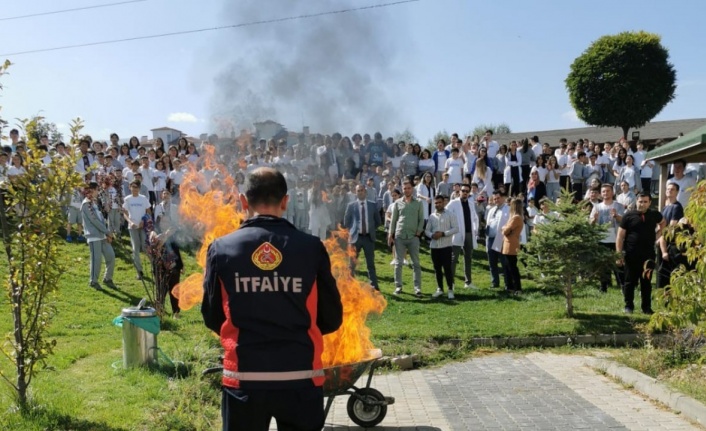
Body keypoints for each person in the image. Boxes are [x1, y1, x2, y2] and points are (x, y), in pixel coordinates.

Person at [201, 168, 342, 431]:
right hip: (301, 377)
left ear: (243, 201)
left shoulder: (221, 249)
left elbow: (212, 316)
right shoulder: (311, 248)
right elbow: (332, 317)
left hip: (244, 379)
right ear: (286, 202)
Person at [616, 192, 665, 314]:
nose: (642, 204)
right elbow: (620, 236)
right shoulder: (628, 216)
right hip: (631, 255)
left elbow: (664, 222)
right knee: (629, 282)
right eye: (640, 201)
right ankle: (629, 306)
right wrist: (619, 255)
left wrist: (657, 234)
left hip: (648, 255)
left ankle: (646, 308)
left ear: (649, 203)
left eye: (645, 202)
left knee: (646, 282)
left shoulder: (654, 215)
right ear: (636, 201)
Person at [389, 179, 425, 297]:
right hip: (400, 236)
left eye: (409, 188)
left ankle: (417, 288)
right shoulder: (397, 203)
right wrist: (391, 234)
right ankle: (398, 287)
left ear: (412, 189)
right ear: (402, 190)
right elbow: (393, 220)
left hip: (413, 237)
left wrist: (419, 233)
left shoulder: (418, 202)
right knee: (398, 263)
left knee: (416, 263)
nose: (407, 190)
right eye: (404, 188)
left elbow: (421, 219)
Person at [343, 184, 382, 290]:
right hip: (356, 238)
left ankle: (374, 285)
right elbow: (346, 221)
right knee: (352, 263)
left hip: (369, 238)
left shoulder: (372, 205)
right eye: (358, 191)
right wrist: (353, 230)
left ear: (366, 192)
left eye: (362, 190)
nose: (360, 192)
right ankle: (349, 285)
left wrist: (371, 229)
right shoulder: (351, 205)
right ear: (356, 192)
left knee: (370, 263)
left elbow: (378, 221)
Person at [80, 182, 116, 290]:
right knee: (96, 260)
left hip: (103, 235)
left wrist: (107, 232)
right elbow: (94, 220)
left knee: (111, 256)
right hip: (94, 236)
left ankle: (107, 278)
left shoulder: (94, 203)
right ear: (91, 190)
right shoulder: (86, 204)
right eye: (96, 190)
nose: (98, 192)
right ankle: (93, 281)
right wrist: (107, 232)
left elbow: (101, 219)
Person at [590, 184, 625, 292]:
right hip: (602, 239)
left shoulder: (618, 206)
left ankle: (623, 285)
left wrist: (616, 216)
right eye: (604, 191)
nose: (606, 193)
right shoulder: (597, 207)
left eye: (608, 191)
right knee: (603, 264)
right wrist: (594, 220)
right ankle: (603, 286)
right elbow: (590, 223)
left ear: (612, 192)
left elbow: (623, 221)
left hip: (616, 239)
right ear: (601, 194)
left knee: (619, 263)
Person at [446, 183, 479, 289]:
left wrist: (475, 229)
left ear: (469, 193)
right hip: (457, 233)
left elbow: (474, 217)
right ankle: (451, 283)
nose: (465, 193)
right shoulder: (453, 203)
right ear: (459, 191)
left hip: (469, 233)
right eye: (463, 191)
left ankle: (468, 282)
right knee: (453, 258)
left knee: (468, 257)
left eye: (467, 191)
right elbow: (446, 215)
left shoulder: (470, 203)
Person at [426, 195, 459, 299]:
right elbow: (427, 230)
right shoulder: (432, 216)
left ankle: (450, 289)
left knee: (447, 268)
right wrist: (432, 235)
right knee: (437, 269)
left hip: (446, 246)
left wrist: (443, 234)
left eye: (439, 202)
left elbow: (456, 228)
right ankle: (440, 289)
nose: (437, 204)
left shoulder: (450, 214)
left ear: (444, 203)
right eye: (436, 203)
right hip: (434, 247)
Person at [123, 180, 151, 280]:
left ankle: (154, 266)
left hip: (143, 226)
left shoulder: (143, 198)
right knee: (135, 249)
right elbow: (125, 213)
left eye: (136, 187)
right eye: (133, 187)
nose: (134, 189)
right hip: (133, 227)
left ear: (139, 188)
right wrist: (130, 222)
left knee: (145, 247)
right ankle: (139, 271)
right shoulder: (127, 199)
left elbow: (148, 211)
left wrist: (144, 221)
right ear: (130, 188)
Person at [486, 190, 510, 289]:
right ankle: (494, 282)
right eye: (494, 199)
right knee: (492, 262)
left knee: (504, 263)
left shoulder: (508, 209)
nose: (496, 200)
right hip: (491, 239)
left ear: (503, 198)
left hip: (502, 239)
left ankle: (507, 283)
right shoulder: (491, 210)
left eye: (498, 198)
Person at [501, 198, 524, 293]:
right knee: (508, 266)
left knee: (512, 267)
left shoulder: (516, 218)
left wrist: (503, 228)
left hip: (511, 244)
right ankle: (509, 286)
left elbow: (506, 230)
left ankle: (517, 287)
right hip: (509, 243)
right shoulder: (516, 217)